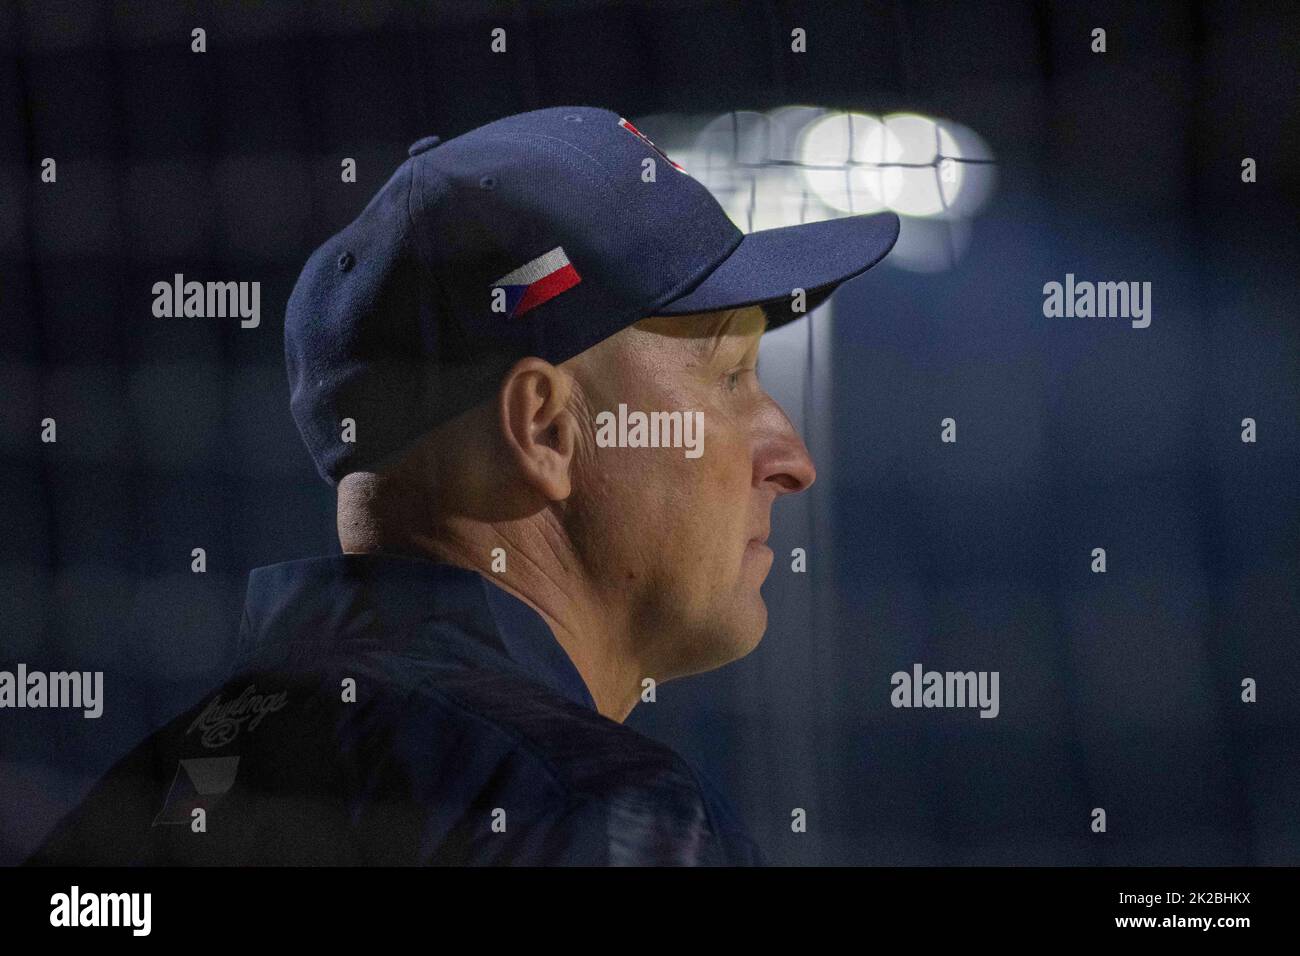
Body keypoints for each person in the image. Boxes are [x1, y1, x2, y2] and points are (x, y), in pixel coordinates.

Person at [26, 106, 898, 865]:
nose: (792, 459)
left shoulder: (120, 811)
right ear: (547, 431)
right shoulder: (602, 811)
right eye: (732, 377)